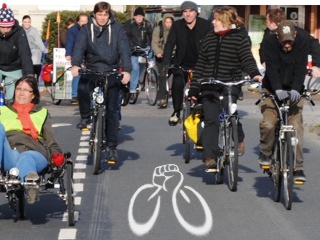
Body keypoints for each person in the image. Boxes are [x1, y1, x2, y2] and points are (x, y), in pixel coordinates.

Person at [188, 6, 263, 169]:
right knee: (211, 119)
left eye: (216, 19)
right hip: (209, 85)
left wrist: (255, 74)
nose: (213, 22)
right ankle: (210, 156)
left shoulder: (239, 38)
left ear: (225, 21)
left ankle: (238, 137)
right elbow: (200, 65)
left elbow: (247, 60)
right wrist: (194, 88)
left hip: (230, 84)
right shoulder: (209, 38)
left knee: (231, 113)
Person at [70, 1, 131, 163]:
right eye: (99, 15)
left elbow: (124, 50)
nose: (103, 18)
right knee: (82, 87)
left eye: (105, 15)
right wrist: (75, 65)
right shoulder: (86, 29)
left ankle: (111, 147)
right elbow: (79, 47)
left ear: (109, 15)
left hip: (111, 69)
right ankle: (85, 116)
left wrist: (126, 70)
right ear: (94, 15)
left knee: (111, 110)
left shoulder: (117, 29)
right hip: (92, 68)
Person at [258, 20, 311, 182]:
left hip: (294, 90)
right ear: (277, 36)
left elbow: (301, 66)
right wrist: (277, 89)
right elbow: (271, 67)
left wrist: (296, 88)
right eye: (284, 41)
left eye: (290, 42)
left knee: (296, 127)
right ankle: (266, 153)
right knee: (268, 123)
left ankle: (298, 168)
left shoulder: (302, 40)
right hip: (272, 89)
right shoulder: (269, 42)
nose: (287, 45)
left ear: (295, 35)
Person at [0, 75, 64, 204]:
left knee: (26, 158)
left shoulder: (42, 113)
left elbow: (50, 140)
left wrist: (57, 155)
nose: (21, 93)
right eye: (18, 89)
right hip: (9, 151)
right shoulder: (3, 110)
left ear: (33, 95)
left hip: (34, 151)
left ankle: (30, 183)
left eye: (25, 90)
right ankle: (29, 180)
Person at [162, 1, 212, 126]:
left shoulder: (205, 25)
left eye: (191, 11)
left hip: (200, 64)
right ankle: (176, 111)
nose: (188, 14)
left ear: (196, 12)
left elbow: (211, 45)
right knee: (177, 83)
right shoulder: (177, 25)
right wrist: (166, 61)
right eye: (185, 11)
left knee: (203, 88)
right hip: (181, 63)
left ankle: (202, 110)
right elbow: (169, 44)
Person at [259, 8, 320, 79]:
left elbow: (314, 44)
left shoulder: (297, 32)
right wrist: (264, 61)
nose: (266, 23)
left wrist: (316, 66)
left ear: (272, 24)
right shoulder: (268, 32)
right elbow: (263, 48)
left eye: (266, 21)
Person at [0, 3, 34, 101]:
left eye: (8, 27)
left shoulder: (19, 32)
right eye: (2, 27)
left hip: (14, 67)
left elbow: (25, 53)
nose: (5, 30)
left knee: (12, 96)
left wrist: (29, 74)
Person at [123, 7, 154, 104]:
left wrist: (151, 47)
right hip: (133, 50)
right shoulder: (129, 24)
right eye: (138, 16)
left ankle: (147, 78)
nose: (140, 18)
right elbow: (126, 37)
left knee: (149, 62)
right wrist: (131, 47)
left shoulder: (147, 24)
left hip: (144, 48)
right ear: (134, 17)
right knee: (135, 68)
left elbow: (152, 37)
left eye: (141, 16)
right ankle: (132, 90)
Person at [151, 13, 175, 109]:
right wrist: (158, 52)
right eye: (167, 22)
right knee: (162, 75)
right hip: (161, 55)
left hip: (173, 54)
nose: (168, 24)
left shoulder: (176, 30)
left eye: (170, 22)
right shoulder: (158, 30)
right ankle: (161, 98)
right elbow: (154, 43)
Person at [65, 13, 89, 104]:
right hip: (77, 54)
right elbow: (70, 42)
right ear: (78, 22)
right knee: (77, 73)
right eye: (82, 21)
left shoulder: (90, 29)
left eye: (86, 21)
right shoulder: (73, 30)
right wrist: (68, 53)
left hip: (89, 54)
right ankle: (75, 95)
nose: (84, 23)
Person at [22, 15, 47, 82]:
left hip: (33, 51)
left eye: (28, 22)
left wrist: (44, 50)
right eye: (25, 22)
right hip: (24, 52)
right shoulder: (20, 30)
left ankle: (35, 79)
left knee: (35, 65)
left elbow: (39, 41)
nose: (27, 24)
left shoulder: (34, 30)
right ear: (22, 23)